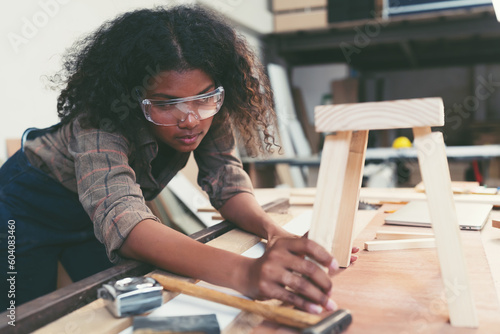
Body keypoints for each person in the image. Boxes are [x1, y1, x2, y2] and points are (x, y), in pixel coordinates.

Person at [0, 5, 358, 314]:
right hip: (27, 206)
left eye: (204, 98)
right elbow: (122, 219)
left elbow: (227, 181)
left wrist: (274, 233)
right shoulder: (102, 120)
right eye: (167, 104)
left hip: (90, 215)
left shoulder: (209, 110)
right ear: (133, 96)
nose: (190, 119)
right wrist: (246, 274)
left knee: (117, 302)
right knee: (24, 314)